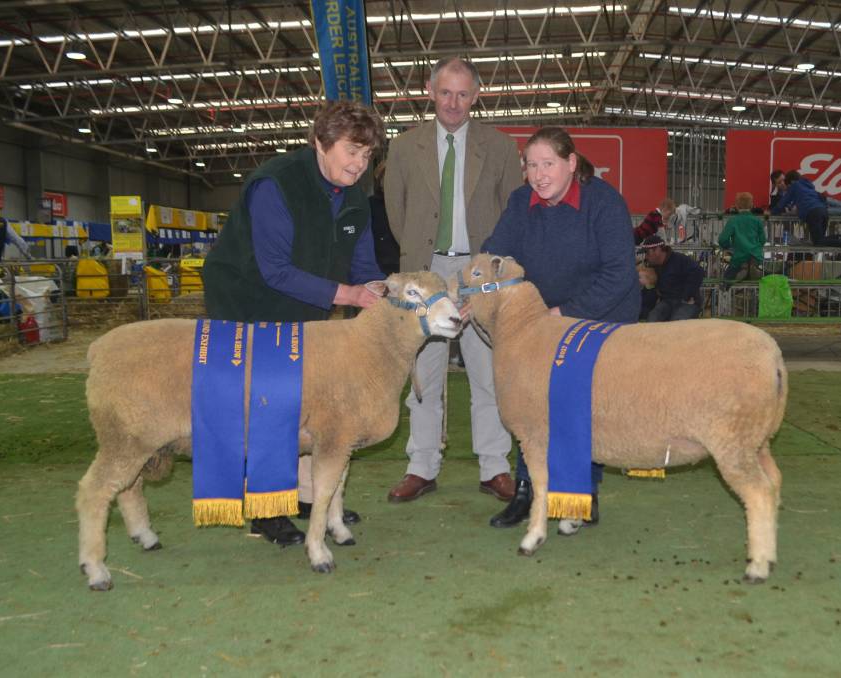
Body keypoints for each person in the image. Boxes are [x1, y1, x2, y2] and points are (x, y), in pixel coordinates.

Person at [202, 100, 386, 546]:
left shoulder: (356, 198)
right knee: (270, 404)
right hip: (250, 306)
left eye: (367, 156)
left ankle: (307, 495)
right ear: (320, 142)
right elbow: (274, 270)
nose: (359, 165)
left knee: (310, 402)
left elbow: (363, 266)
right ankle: (267, 509)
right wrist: (349, 296)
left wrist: (381, 289)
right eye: (351, 152)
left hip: (308, 311)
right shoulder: (275, 185)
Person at [480, 126, 640, 528]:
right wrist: (476, 293)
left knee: (582, 404)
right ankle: (526, 490)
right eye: (531, 165)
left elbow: (619, 274)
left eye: (548, 163)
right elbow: (495, 256)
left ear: (571, 163)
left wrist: (561, 315)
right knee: (529, 401)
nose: (539, 174)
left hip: (599, 318)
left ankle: (583, 491)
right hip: (540, 323)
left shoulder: (604, 203)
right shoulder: (521, 202)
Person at [383, 57, 524, 504]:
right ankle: (421, 466)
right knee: (423, 376)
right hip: (426, 275)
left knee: (487, 373)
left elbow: (512, 211)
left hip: (477, 274)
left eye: (463, 94)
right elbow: (396, 212)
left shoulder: (500, 147)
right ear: (430, 91)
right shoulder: (404, 147)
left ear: (476, 96)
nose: (454, 103)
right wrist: (423, 264)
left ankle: (494, 466)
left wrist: (487, 270)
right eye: (446, 92)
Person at [771, 171, 841, 250]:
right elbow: (820, 198)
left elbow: (782, 203)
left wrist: (771, 213)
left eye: (785, 182)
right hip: (823, 211)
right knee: (821, 240)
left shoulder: (794, 186)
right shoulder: (808, 186)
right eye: (779, 182)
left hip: (813, 214)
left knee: (818, 242)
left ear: (791, 182)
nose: (784, 184)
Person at [640, 235, 704, 321]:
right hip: (667, 302)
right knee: (652, 319)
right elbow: (650, 298)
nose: (646, 257)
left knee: (677, 323)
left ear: (657, 250)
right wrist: (649, 286)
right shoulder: (653, 268)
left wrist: (686, 296)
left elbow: (698, 272)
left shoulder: (680, 260)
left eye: (647, 253)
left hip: (687, 302)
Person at [718, 192, 767, 284]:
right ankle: (752, 267)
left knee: (724, 282)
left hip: (739, 256)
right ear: (752, 205)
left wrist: (728, 247)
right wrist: (756, 247)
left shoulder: (733, 221)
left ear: (737, 206)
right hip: (755, 255)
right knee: (755, 286)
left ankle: (743, 267)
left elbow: (722, 239)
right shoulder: (757, 221)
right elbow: (763, 240)